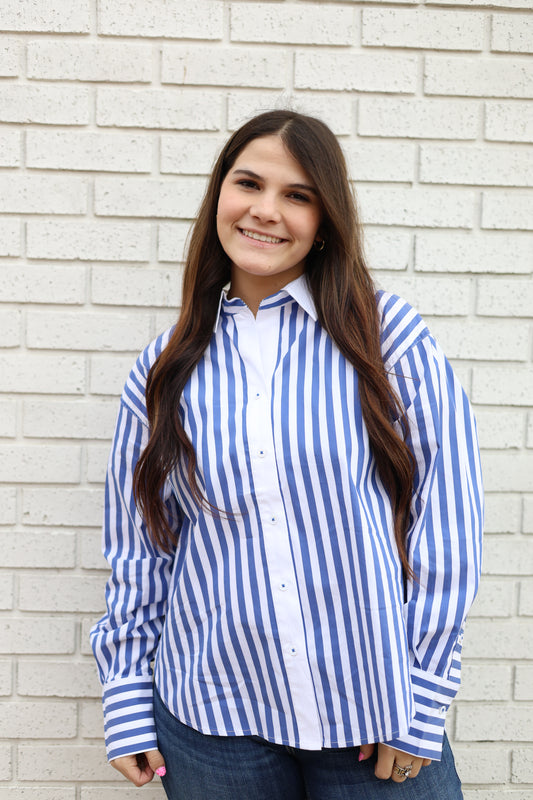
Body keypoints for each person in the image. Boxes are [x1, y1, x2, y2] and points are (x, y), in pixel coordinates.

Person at [90, 110, 483, 800]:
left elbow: (446, 521)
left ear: (324, 220)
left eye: (297, 195)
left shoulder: (386, 337)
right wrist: (125, 696)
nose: (266, 211)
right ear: (220, 195)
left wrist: (420, 694)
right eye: (249, 184)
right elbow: (141, 547)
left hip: (372, 713)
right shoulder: (165, 368)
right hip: (213, 718)